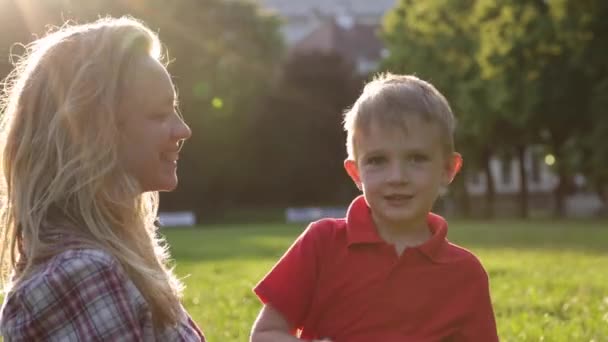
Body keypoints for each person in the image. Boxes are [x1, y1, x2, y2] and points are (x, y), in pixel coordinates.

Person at [250, 73, 499, 341]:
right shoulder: (321, 245)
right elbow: (265, 333)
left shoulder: (465, 274)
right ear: (355, 172)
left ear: (448, 168)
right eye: (378, 160)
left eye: (416, 158)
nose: (397, 177)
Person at [0, 17, 204, 341]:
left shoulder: (108, 260)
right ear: (94, 134)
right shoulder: (80, 275)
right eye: (159, 115)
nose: (183, 130)